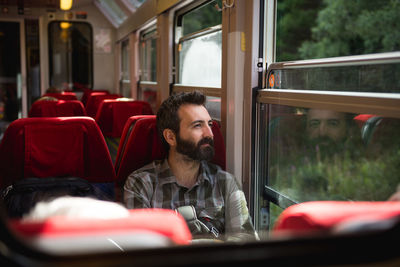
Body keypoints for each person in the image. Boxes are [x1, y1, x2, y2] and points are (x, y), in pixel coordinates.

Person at [123, 91, 257, 241]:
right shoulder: (141, 184)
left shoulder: (226, 183)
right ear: (171, 137)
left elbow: (246, 239)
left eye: (210, 124)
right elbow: (139, 247)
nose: (210, 133)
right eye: (198, 125)